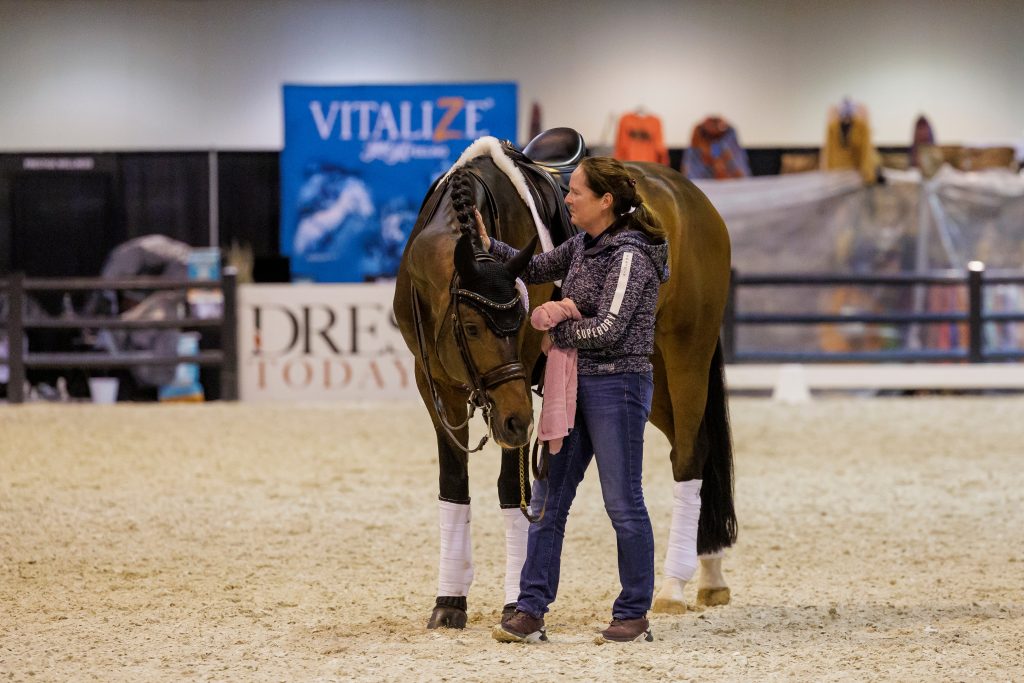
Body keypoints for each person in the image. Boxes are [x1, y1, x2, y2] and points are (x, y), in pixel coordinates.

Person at [481, 156, 670, 644]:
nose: (567, 199)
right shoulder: (585, 245)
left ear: (605, 201)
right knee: (548, 501)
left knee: (622, 502)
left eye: (576, 192)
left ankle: (634, 612)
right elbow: (537, 265)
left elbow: (610, 327)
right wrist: (486, 245)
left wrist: (554, 324)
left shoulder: (629, 254)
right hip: (574, 386)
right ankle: (530, 609)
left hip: (617, 388)